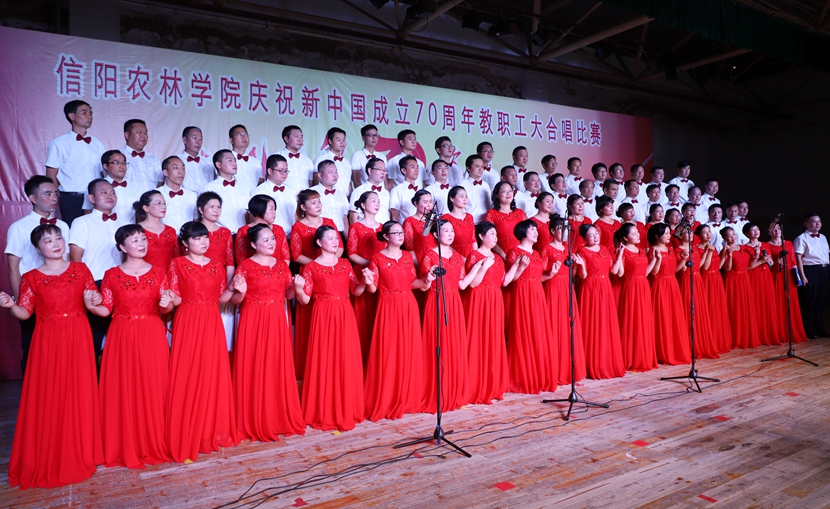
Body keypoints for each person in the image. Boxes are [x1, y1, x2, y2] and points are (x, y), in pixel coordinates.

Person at [3, 225, 103, 488]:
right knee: (51, 392)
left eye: (58, 238)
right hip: (47, 339)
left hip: (79, 335)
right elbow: (25, 313)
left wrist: (94, 299)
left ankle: (82, 447)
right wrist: (11, 305)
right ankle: (53, 448)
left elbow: (94, 301)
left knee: (79, 390)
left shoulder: (80, 269)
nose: (56, 243)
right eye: (48, 240)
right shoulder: (31, 277)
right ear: (38, 248)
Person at [87, 224, 174, 469]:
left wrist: (167, 303)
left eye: (143, 239)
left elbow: (165, 309)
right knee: (123, 387)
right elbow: (106, 310)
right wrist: (91, 305)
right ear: (122, 247)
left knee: (154, 385)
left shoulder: (159, 272)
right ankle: (123, 442)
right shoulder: (111, 275)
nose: (141, 244)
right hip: (122, 334)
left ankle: (153, 440)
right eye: (134, 240)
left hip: (151, 332)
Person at [166, 221, 239, 462]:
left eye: (205, 237)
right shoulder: (177, 264)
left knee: (211, 370)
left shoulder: (216, 264)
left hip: (211, 319)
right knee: (188, 372)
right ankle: (188, 429)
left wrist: (235, 289)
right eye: (197, 238)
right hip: (188, 318)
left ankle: (211, 429)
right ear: (185, 243)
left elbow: (221, 297)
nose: (203, 242)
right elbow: (176, 298)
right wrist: (168, 298)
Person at [230, 223, 305, 442]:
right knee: (254, 363)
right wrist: (240, 292)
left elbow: (288, 295)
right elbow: (236, 300)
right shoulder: (245, 266)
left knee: (277, 363)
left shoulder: (281, 264)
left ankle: (278, 416)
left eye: (273, 239)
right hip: (253, 318)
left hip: (277, 317)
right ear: (253, 244)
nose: (271, 243)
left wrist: (297, 288)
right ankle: (255, 417)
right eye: (266, 240)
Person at [295, 225, 369, 431]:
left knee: (346, 357)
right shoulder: (311, 268)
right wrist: (299, 290)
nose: (335, 241)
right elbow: (304, 300)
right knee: (325, 358)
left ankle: (347, 406)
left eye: (336, 237)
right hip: (323, 315)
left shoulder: (345, 264)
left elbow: (356, 291)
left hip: (345, 313)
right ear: (319, 242)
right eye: (330, 238)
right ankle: (324, 408)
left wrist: (365, 281)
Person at [364, 221, 432, 421]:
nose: (401, 235)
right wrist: (368, 282)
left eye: (402, 232)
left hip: (408, 304)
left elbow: (413, 283)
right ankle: (388, 396)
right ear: (386, 237)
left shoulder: (407, 256)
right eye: (396, 233)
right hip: (388, 305)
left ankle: (408, 396)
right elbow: (373, 289)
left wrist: (427, 279)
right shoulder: (377, 258)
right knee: (389, 350)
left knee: (408, 349)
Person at [5, 176, 70, 376]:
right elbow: (13, 268)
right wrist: (21, 301)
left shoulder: (63, 226)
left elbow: (67, 262)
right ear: (33, 198)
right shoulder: (19, 227)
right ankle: (32, 392)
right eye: (48, 194)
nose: (54, 198)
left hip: (61, 299)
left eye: (56, 193)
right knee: (33, 348)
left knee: (63, 349)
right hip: (33, 296)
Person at [419, 219, 484, 412]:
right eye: (446, 231)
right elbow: (424, 286)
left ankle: (453, 389)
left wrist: (477, 268)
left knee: (454, 344)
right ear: (436, 234)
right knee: (437, 343)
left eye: (452, 231)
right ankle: (437, 391)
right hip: (436, 300)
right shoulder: (429, 256)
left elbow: (462, 284)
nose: (450, 234)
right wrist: (429, 278)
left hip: (454, 302)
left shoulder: (457, 257)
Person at [69, 178, 126, 362]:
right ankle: (92, 376)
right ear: (91, 198)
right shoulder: (82, 222)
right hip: (94, 284)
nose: (110, 196)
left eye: (112, 192)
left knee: (119, 335)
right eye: (104, 192)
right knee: (95, 335)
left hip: (121, 284)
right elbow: (75, 259)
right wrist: (85, 289)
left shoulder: (123, 223)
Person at [289, 189, 343, 380]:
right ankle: (312, 368)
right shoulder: (298, 227)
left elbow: (340, 247)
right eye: (313, 202)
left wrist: (331, 263)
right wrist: (318, 265)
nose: (318, 205)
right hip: (311, 272)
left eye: (319, 201)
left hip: (333, 272)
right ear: (303, 207)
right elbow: (296, 255)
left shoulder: (329, 222)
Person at [465, 222, 519, 404]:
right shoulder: (474, 256)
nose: (496, 238)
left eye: (496, 234)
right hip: (479, 299)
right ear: (481, 236)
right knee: (479, 339)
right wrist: (484, 267)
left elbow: (505, 281)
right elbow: (473, 283)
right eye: (492, 234)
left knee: (494, 338)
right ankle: (477, 384)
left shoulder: (497, 258)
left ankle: (493, 383)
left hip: (495, 299)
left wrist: (518, 267)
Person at [505, 220, 557, 392]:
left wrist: (550, 275)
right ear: (523, 232)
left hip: (537, 294)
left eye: (536, 229)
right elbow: (512, 278)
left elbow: (537, 277)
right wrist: (520, 266)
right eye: (532, 229)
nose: (536, 232)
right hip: (522, 293)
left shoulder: (536, 253)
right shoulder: (514, 252)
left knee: (539, 332)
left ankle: (540, 373)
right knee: (525, 330)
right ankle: (524, 376)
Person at [573, 224, 625, 379]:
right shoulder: (582, 251)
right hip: (590, 288)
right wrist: (581, 265)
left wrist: (620, 254)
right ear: (584, 238)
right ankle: (591, 364)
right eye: (591, 235)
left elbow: (614, 271)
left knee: (606, 323)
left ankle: (607, 362)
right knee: (592, 323)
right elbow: (582, 276)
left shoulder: (605, 249)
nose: (595, 237)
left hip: (605, 287)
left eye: (596, 233)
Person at [542, 215, 587, 384]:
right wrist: (552, 272)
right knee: (555, 325)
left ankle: (570, 367)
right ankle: (556, 368)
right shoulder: (546, 249)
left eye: (566, 229)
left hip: (568, 288)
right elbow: (542, 273)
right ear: (553, 231)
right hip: (553, 288)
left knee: (570, 325)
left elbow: (573, 274)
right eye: (560, 229)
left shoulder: (569, 249)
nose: (563, 232)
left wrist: (577, 264)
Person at [46, 100, 106, 225]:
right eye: (84, 113)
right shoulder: (59, 143)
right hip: (71, 198)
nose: (89, 116)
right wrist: (58, 196)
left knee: (96, 231)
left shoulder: (97, 144)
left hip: (95, 197)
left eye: (91, 113)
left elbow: (103, 172)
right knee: (73, 231)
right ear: (72, 116)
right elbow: (51, 174)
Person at [347, 191, 386, 366]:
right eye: (373, 201)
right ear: (363, 205)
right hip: (363, 271)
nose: (377, 204)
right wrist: (372, 264)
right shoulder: (356, 227)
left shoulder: (383, 227)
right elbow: (351, 253)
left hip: (382, 274)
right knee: (363, 314)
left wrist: (379, 266)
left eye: (378, 201)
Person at [614, 222, 658, 372]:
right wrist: (619, 255)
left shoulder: (640, 250)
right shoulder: (623, 251)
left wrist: (654, 260)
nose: (638, 235)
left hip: (643, 286)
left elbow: (644, 273)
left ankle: (644, 356)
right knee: (632, 320)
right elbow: (620, 273)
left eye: (637, 232)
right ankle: (631, 357)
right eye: (634, 233)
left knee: (644, 320)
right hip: (631, 287)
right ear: (625, 238)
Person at [196, 192, 236, 352]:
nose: (216, 210)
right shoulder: (193, 230)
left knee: (219, 325)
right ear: (201, 209)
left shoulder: (225, 233)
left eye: (218, 207)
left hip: (219, 282)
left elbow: (230, 262)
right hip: (197, 283)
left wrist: (229, 286)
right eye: (211, 206)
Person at [647, 223, 691, 365]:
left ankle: (673, 349)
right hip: (659, 285)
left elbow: (675, 270)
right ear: (656, 236)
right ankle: (662, 351)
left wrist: (683, 259)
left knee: (673, 316)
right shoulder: (653, 250)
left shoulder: (670, 249)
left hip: (672, 284)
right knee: (662, 317)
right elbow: (654, 272)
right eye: (665, 233)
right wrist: (658, 259)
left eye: (668, 233)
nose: (668, 236)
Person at [675, 227, 720, 359]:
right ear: (679, 236)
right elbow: (683, 269)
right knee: (688, 310)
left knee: (698, 311)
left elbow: (702, 266)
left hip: (697, 279)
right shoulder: (677, 250)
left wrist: (707, 253)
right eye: (686, 232)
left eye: (691, 232)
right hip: (686, 280)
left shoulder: (694, 247)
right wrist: (684, 257)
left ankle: (700, 344)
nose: (690, 234)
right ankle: (688, 345)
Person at [767, 222, 807, 343]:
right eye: (774, 229)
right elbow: (769, 264)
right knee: (777, 302)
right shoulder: (766, 245)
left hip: (789, 274)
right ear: (769, 232)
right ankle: (779, 332)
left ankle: (791, 331)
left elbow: (793, 262)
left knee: (790, 301)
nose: (777, 231)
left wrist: (798, 278)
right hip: (776, 274)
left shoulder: (788, 243)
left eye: (778, 228)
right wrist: (777, 259)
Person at [743, 223, 782, 346]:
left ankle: (769, 334)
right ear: (747, 233)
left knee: (767, 303)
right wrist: (761, 261)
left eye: (757, 229)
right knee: (756, 304)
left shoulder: (765, 245)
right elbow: (748, 266)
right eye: (752, 230)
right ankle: (757, 334)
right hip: (754, 276)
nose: (756, 232)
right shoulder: (744, 247)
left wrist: (773, 261)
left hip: (766, 276)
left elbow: (770, 263)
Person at [696, 225, 733, 354]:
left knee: (718, 308)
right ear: (698, 236)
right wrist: (709, 252)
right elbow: (705, 267)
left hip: (716, 278)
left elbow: (718, 266)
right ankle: (710, 341)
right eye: (704, 232)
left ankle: (719, 340)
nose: (708, 234)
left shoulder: (714, 247)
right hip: (706, 279)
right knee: (709, 308)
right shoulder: (698, 249)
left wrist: (725, 255)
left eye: (709, 232)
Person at [720, 227, 759, 348]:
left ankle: (746, 337)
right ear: (724, 238)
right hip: (732, 280)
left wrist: (757, 255)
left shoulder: (744, 248)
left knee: (745, 307)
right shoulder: (725, 250)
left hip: (744, 279)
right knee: (734, 308)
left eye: (733, 234)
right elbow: (726, 268)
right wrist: (730, 256)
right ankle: (735, 338)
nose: (733, 237)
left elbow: (750, 265)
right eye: (729, 235)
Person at [794, 214, 829, 339]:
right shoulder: (801, 238)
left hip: (824, 269)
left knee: (821, 301)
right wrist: (802, 276)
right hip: (810, 270)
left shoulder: (823, 237)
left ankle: (820, 328)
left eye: (819, 221)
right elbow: (798, 258)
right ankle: (809, 330)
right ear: (806, 224)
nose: (817, 224)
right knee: (809, 301)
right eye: (814, 222)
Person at [83, 150, 142, 222]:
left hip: (131, 228)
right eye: (116, 162)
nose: (122, 166)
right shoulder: (96, 186)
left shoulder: (137, 187)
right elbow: (88, 211)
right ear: (105, 166)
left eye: (124, 163)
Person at [200, 149, 248, 232]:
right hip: (219, 234)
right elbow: (202, 217)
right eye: (230, 160)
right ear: (218, 164)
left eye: (235, 160)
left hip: (242, 234)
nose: (234, 163)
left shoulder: (243, 188)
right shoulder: (208, 189)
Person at [250, 154, 297, 236]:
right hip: (271, 236)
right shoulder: (259, 192)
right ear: (270, 171)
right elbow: (252, 218)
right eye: (281, 170)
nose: (284, 174)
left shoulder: (292, 191)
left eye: (286, 171)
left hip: (292, 235)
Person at [235, 195, 289, 266]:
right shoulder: (243, 231)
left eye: (275, 209)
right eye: (271, 209)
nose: (274, 212)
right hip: (253, 271)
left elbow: (286, 257)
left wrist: (278, 270)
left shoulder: (279, 229)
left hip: (278, 270)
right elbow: (241, 260)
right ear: (260, 209)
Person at [135, 190, 178, 272]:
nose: (163, 207)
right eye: (158, 203)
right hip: (146, 276)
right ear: (146, 208)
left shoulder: (171, 231)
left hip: (169, 276)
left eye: (164, 203)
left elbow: (176, 257)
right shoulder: (136, 231)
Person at [485, 181, 527, 260]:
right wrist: (504, 256)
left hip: (521, 256)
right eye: (504, 191)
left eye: (510, 190)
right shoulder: (491, 214)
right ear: (497, 195)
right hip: (500, 256)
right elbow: (489, 239)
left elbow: (527, 236)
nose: (508, 193)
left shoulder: (520, 213)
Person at [120, 119, 162, 192]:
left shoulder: (153, 159)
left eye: (145, 133)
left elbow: (160, 183)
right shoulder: (117, 157)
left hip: (151, 199)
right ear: (127, 135)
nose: (143, 136)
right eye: (139, 132)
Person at [312, 160, 350, 238]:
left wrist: (347, 237)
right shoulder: (312, 193)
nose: (335, 175)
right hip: (321, 235)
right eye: (330, 172)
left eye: (336, 172)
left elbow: (345, 218)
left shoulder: (341, 193)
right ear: (320, 175)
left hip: (340, 234)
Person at [160, 155, 198, 232]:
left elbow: (196, 220)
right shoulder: (157, 195)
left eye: (183, 168)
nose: (181, 172)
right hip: (164, 237)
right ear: (166, 172)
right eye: (175, 168)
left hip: (188, 237)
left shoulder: (192, 195)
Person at [403, 189, 438, 267]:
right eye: (425, 202)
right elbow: (410, 249)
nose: (429, 205)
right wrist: (419, 265)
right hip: (421, 260)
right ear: (416, 203)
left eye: (430, 202)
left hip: (437, 258)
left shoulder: (435, 220)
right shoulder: (409, 221)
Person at [350, 157, 391, 224]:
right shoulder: (358, 191)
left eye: (384, 170)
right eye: (379, 169)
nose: (383, 173)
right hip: (366, 229)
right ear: (370, 171)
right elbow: (353, 218)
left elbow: (388, 214)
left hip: (385, 228)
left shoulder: (386, 192)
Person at [313, 127, 352, 197]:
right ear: (330, 141)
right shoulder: (321, 159)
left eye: (344, 140)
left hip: (345, 200)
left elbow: (349, 184)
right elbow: (316, 182)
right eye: (338, 140)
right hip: (328, 198)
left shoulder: (347, 162)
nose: (342, 142)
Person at [441, 186, 477, 258]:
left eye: (466, 197)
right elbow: (444, 243)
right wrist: (460, 258)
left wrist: (475, 256)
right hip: (453, 255)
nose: (465, 199)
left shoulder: (469, 217)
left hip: (470, 254)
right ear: (452, 198)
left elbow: (473, 239)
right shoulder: (446, 218)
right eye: (461, 196)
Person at [277, 125, 315, 190]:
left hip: (304, 196)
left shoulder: (308, 160)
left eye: (301, 137)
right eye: (296, 136)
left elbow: (310, 183)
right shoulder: (276, 158)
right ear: (286, 139)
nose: (300, 140)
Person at [228, 124, 262, 194]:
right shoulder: (226, 161)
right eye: (240, 135)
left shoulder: (256, 162)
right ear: (231, 140)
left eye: (246, 135)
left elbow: (260, 182)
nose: (244, 138)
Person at [179, 126, 214, 192]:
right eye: (194, 138)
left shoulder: (208, 163)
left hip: (206, 197)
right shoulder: (177, 161)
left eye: (200, 139)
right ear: (185, 140)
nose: (198, 142)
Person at [460, 154, 492, 223]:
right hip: (471, 222)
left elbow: (489, 204)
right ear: (468, 168)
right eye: (477, 166)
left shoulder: (485, 185)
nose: (480, 169)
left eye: (482, 166)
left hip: (486, 223)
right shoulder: (462, 186)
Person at [390, 156, 422, 222]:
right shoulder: (397, 190)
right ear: (403, 170)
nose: (416, 170)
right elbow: (394, 216)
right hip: (405, 226)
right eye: (413, 167)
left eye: (417, 167)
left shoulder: (421, 189)